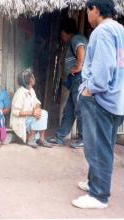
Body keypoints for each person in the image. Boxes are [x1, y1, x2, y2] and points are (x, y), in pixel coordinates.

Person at [72, 0, 124, 209]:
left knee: (96, 148)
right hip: (117, 98)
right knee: (105, 145)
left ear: (95, 9)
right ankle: (95, 182)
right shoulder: (120, 30)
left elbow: (103, 69)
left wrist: (89, 90)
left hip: (100, 99)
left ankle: (99, 195)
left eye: (88, 11)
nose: (88, 15)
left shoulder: (102, 32)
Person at [47, 18, 88, 148]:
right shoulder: (75, 39)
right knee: (69, 110)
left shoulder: (76, 38)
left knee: (80, 108)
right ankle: (59, 137)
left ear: (65, 32)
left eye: (62, 35)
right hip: (76, 79)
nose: (62, 38)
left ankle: (84, 138)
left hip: (80, 78)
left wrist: (79, 66)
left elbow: (81, 49)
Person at [10, 69, 53, 148]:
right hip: (21, 121)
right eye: (32, 77)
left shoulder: (31, 90)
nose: (34, 78)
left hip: (28, 118)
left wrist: (37, 109)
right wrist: (32, 113)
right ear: (30, 80)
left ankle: (41, 139)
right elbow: (15, 112)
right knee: (36, 115)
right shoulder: (20, 93)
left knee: (43, 113)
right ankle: (30, 138)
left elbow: (37, 103)